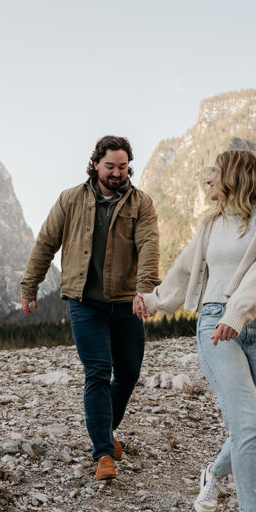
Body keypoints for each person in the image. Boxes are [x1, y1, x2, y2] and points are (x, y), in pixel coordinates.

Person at [135, 149, 256, 512]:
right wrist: (153, 301)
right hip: (215, 325)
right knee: (248, 424)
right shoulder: (211, 225)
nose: (207, 181)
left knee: (255, 424)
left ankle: (213, 473)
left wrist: (240, 314)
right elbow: (185, 270)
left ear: (235, 177)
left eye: (214, 174)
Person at [20, 136, 160, 480]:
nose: (116, 173)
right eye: (110, 166)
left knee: (128, 373)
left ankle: (104, 430)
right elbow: (46, 244)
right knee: (98, 371)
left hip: (127, 303)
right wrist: (30, 286)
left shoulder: (141, 203)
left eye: (122, 166)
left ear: (129, 167)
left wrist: (145, 292)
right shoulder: (70, 200)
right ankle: (103, 454)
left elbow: (149, 246)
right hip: (85, 304)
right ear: (95, 164)